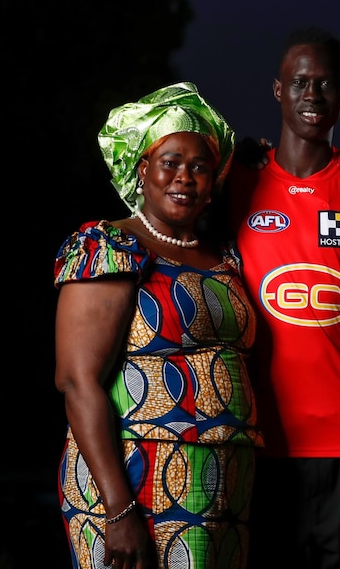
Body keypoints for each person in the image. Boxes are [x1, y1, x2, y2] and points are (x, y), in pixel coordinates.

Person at [53, 82, 262, 569]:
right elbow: (76, 381)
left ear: (213, 182)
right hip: (136, 482)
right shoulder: (109, 246)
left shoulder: (224, 257)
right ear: (142, 169)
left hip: (222, 485)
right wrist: (119, 509)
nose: (184, 177)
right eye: (170, 161)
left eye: (199, 166)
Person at [226, 26, 340, 569]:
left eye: (325, 84)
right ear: (278, 91)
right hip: (262, 441)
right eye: (300, 83)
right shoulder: (237, 183)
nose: (312, 95)